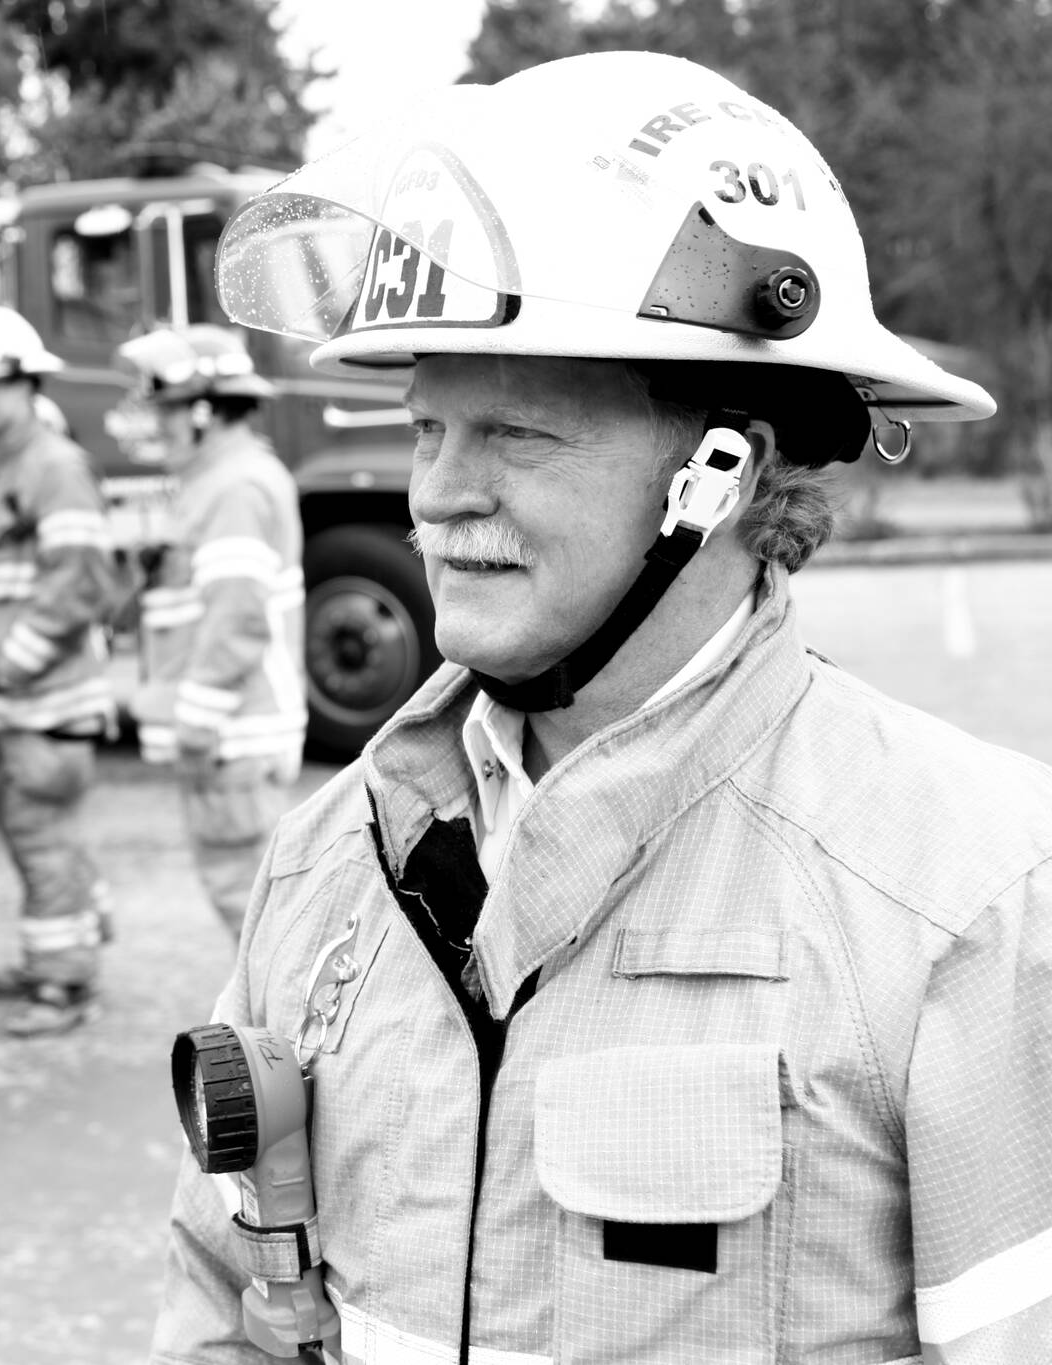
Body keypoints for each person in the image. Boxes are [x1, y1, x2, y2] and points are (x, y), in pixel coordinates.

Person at [154, 52, 1050, 1365]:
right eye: (425, 429)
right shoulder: (327, 860)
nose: (439, 497)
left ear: (725, 471)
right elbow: (218, 1297)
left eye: (517, 433)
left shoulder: (970, 897)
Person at [0, 306, 121, 1038]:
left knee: (44, 836)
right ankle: (61, 947)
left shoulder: (53, 465)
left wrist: (11, 663)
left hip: (42, 699)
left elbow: (79, 582)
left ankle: (66, 982)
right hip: (6, 703)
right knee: (29, 833)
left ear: (24, 381)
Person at [114, 325, 306, 934]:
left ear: (203, 410)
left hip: (232, 737)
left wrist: (197, 721)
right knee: (250, 907)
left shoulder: (234, 489)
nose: (156, 425)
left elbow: (237, 617)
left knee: (253, 913)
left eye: (166, 410)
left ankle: (278, 1031)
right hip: (230, 735)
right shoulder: (219, 482)